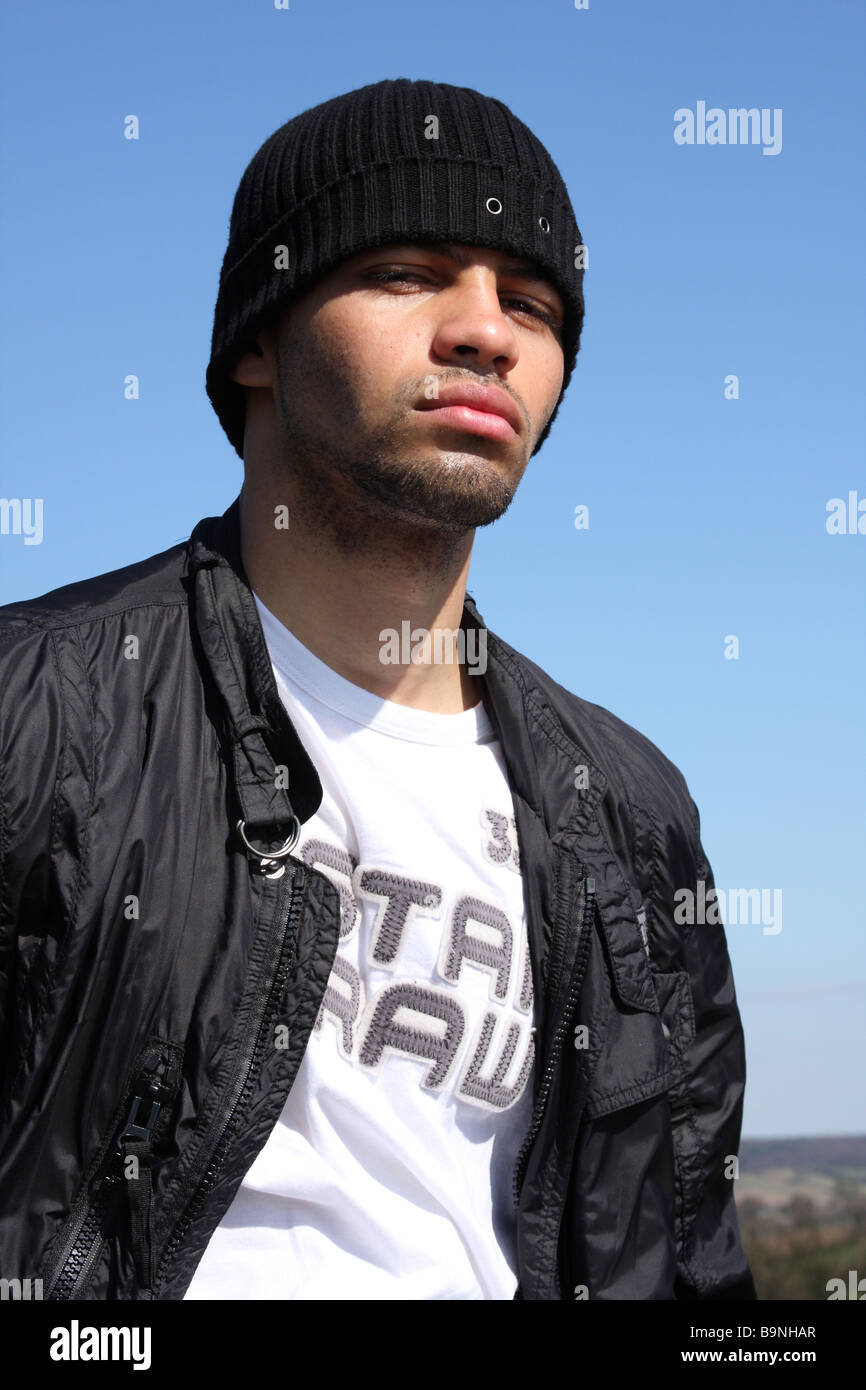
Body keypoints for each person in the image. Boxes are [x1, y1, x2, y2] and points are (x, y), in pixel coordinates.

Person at [0, 77, 756, 1301]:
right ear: (256, 339)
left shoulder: (629, 810)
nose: (485, 332)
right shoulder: (36, 712)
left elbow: (684, 1259)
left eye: (530, 302)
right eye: (406, 273)